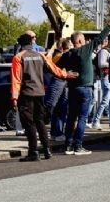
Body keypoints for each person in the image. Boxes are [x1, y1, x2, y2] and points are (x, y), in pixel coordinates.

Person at [60, 15, 110, 155]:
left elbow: (54, 67)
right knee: (82, 117)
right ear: (80, 40)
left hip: (72, 89)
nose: (85, 41)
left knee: (71, 117)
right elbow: (101, 37)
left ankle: (68, 146)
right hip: (85, 88)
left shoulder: (67, 55)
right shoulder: (85, 50)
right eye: (83, 39)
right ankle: (78, 146)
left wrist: (65, 74)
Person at [10, 32, 77, 161]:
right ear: (31, 43)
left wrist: (14, 98)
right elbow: (53, 68)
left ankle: (33, 152)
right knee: (39, 121)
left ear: (20, 44)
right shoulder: (40, 55)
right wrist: (65, 74)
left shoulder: (18, 57)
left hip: (26, 94)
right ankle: (47, 150)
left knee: (29, 123)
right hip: (40, 93)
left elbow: (16, 80)